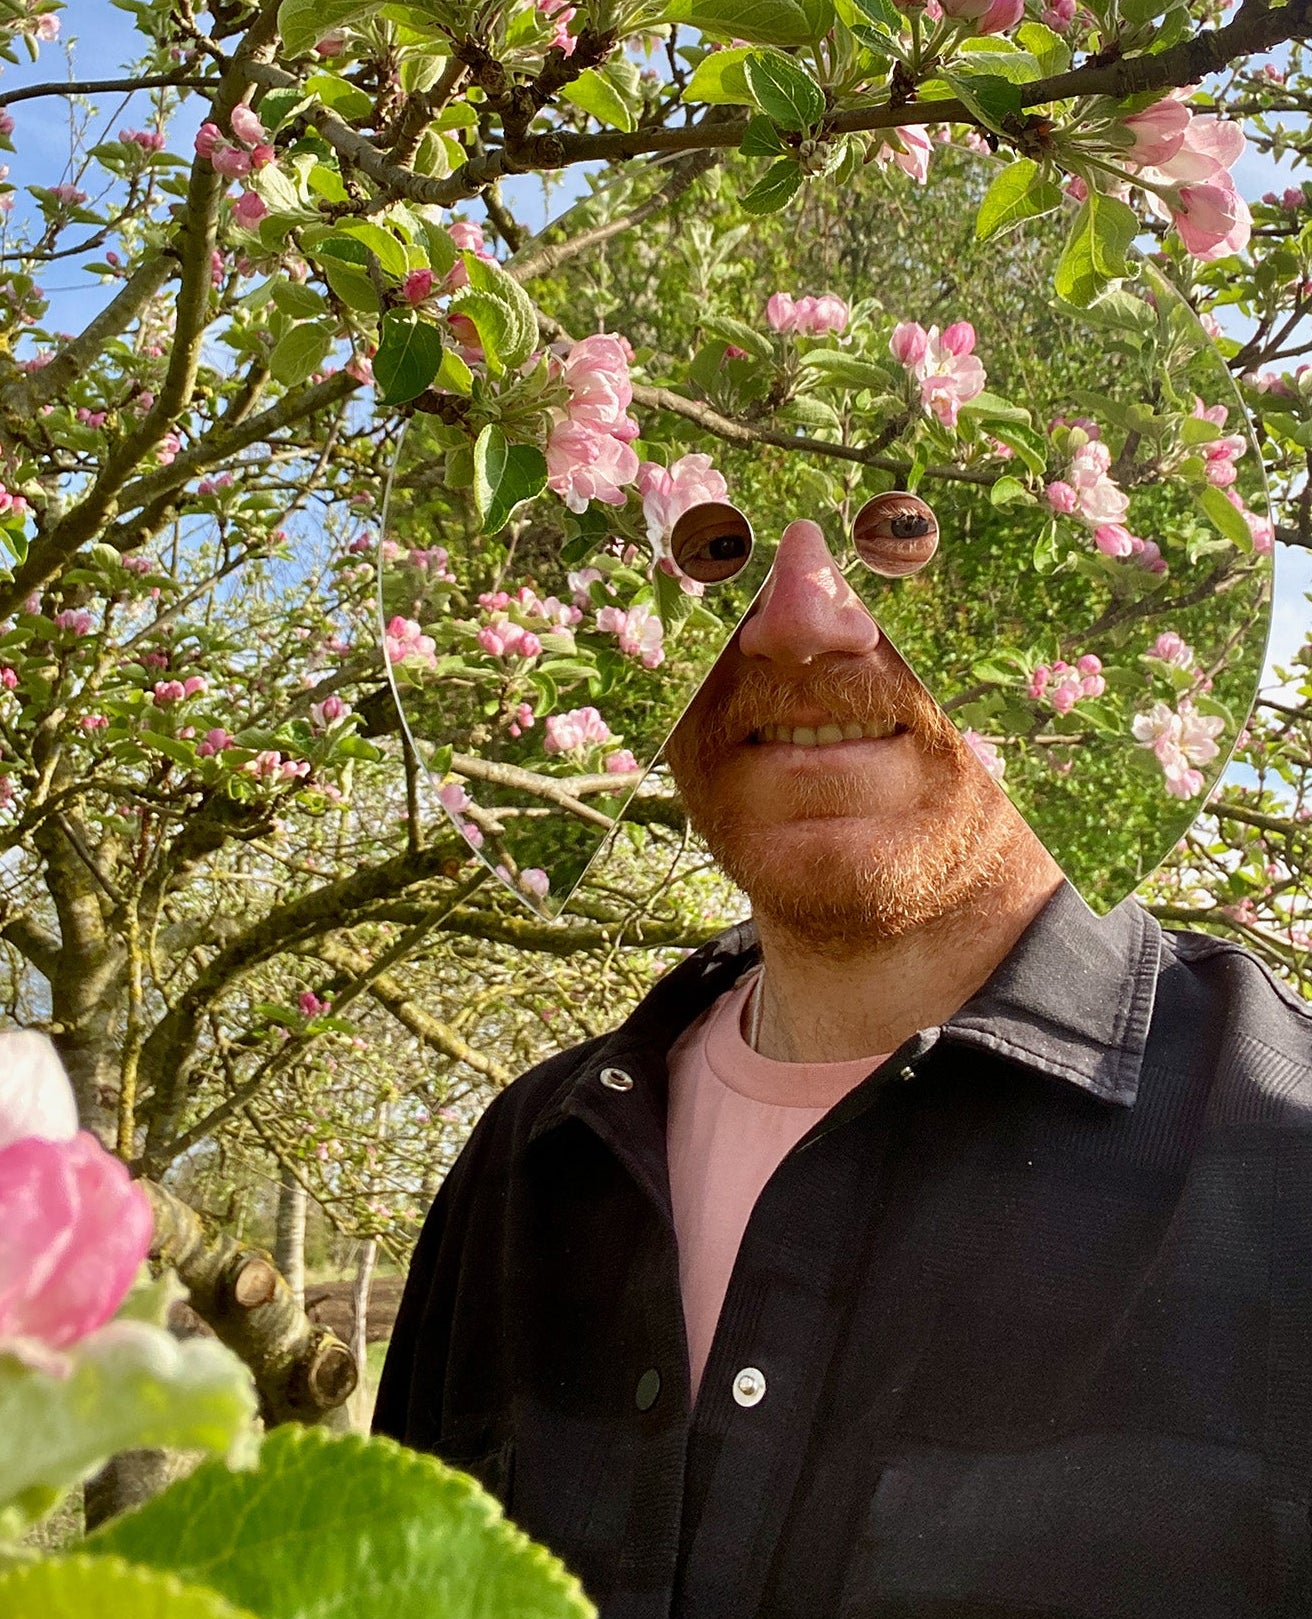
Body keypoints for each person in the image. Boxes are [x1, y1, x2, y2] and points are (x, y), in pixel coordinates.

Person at [374, 518, 1312, 1619]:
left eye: (909, 529)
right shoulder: (530, 1158)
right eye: (713, 547)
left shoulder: (1283, 1166)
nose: (797, 624)